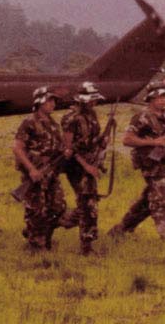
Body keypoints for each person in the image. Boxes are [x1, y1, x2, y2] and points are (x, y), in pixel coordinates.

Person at [110, 80, 165, 241]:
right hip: (152, 166)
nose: (164, 100)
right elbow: (127, 140)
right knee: (162, 201)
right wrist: (153, 142)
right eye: (160, 97)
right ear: (151, 99)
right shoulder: (141, 117)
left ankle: (121, 229)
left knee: (146, 203)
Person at [60, 82, 111, 254]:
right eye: (91, 100)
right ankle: (86, 247)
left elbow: (92, 139)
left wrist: (102, 141)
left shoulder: (92, 115)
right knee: (88, 203)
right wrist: (87, 166)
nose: (94, 103)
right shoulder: (70, 119)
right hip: (76, 166)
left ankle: (62, 221)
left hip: (90, 163)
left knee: (88, 202)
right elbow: (69, 149)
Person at [12, 86, 65, 251]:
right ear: (39, 102)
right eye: (49, 100)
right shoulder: (29, 122)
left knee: (58, 207)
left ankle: (39, 235)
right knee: (36, 210)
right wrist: (31, 169)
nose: (53, 104)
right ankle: (36, 246)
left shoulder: (53, 124)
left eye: (54, 100)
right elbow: (17, 148)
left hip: (51, 172)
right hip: (35, 172)